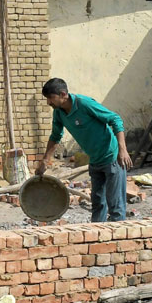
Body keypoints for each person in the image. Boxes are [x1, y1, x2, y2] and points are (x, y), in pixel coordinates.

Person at [36, 78, 133, 223]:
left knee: (116, 206)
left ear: (63, 94)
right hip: (95, 160)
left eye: (50, 98)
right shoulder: (59, 113)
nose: (48, 103)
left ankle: (118, 242)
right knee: (98, 204)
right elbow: (55, 136)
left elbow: (115, 119)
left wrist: (123, 150)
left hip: (112, 158)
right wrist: (45, 160)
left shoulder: (84, 104)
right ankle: (96, 238)